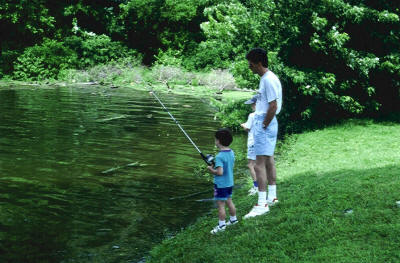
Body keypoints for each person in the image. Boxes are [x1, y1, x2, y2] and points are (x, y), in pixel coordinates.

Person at [244, 48, 282, 219]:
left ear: (258, 63)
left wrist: (264, 124)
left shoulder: (268, 80)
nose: (249, 66)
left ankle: (262, 204)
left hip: (264, 124)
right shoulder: (267, 78)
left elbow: (273, 106)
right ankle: (272, 197)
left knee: (259, 164)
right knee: (269, 161)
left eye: (250, 63)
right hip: (266, 123)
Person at [207, 128, 237, 234]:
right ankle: (233, 220)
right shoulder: (231, 152)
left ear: (218, 141)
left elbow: (219, 172)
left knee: (221, 205)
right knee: (229, 201)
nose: (215, 141)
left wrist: (211, 170)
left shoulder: (219, 156)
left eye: (215, 139)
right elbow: (227, 166)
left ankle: (221, 225)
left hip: (221, 185)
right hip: (229, 183)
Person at [240, 95, 258, 196]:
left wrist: (243, 125)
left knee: (251, 165)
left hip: (253, 143)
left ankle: (256, 187)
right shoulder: (266, 114)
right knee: (259, 165)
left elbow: (247, 127)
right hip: (262, 143)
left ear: (256, 104)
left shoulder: (252, 115)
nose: (251, 105)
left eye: (252, 104)